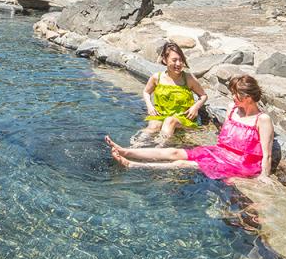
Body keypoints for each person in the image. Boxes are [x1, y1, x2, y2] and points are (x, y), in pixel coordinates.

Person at [105, 75, 273, 181]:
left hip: (239, 163)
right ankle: (126, 151)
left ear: (248, 97)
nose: (233, 97)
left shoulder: (262, 119)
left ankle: (132, 165)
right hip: (219, 152)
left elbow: (267, 154)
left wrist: (264, 177)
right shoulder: (232, 109)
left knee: (182, 164)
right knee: (174, 152)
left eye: (236, 94)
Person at [139, 41, 208, 142]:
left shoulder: (188, 78)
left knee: (170, 121)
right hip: (161, 114)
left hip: (183, 118)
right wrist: (150, 106)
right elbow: (146, 92)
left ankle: (159, 150)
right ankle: (134, 147)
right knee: (153, 126)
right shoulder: (156, 78)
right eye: (174, 60)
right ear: (164, 60)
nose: (178, 64)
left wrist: (195, 107)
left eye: (181, 60)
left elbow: (204, 96)